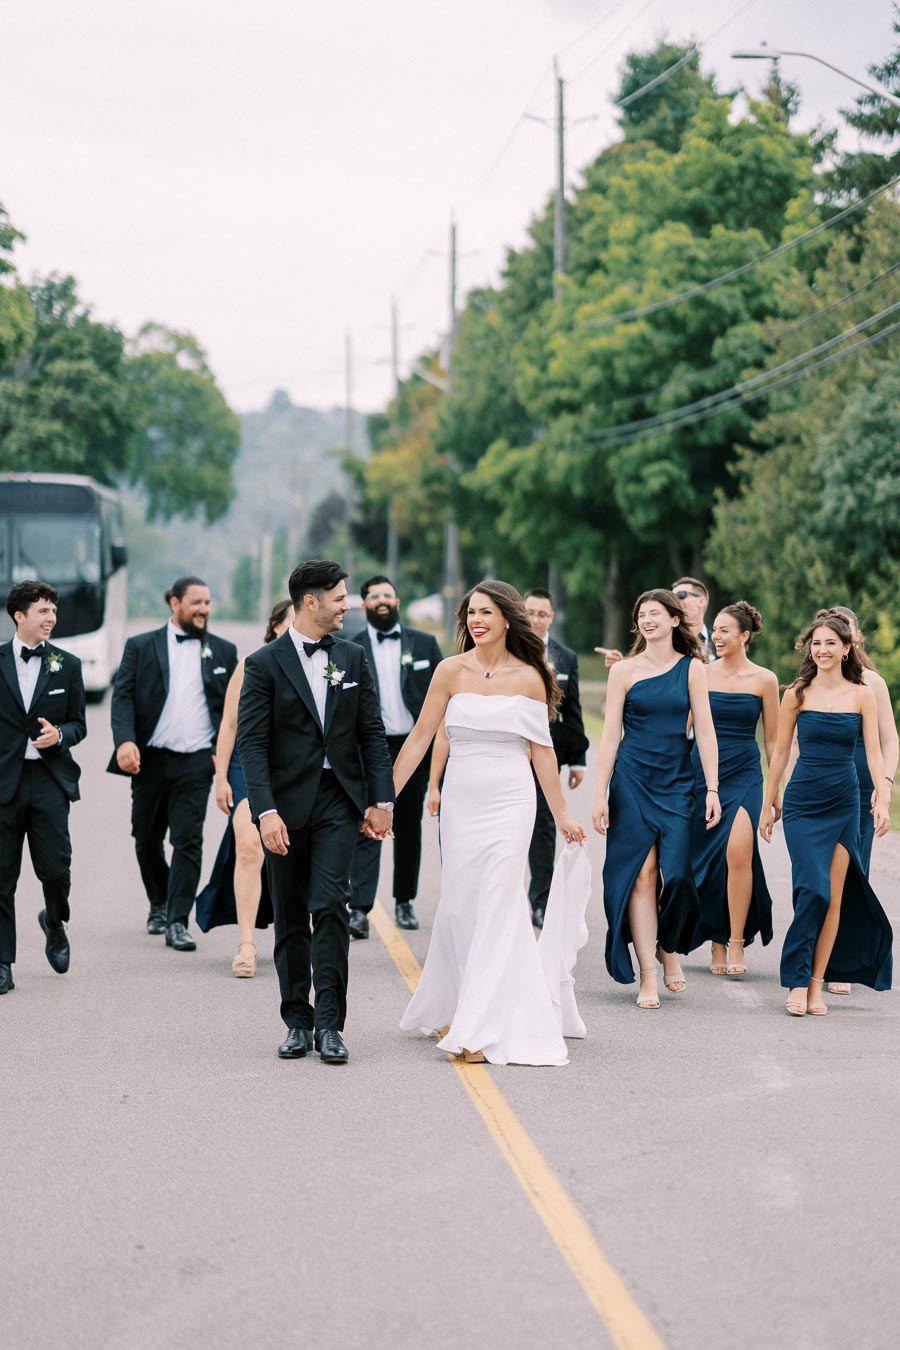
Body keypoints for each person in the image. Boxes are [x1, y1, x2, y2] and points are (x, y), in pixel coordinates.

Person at [393, 579, 589, 1067]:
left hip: (510, 798)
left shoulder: (531, 676)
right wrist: (384, 798)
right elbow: (419, 737)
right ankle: (453, 1002)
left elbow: (542, 750)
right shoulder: (449, 671)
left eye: (485, 612)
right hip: (462, 797)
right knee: (460, 905)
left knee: (501, 899)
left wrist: (562, 815)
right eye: (470, 613)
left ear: (506, 618)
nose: (476, 620)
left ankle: (480, 1026)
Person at [237, 560, 394, 1065]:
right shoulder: (263, 664)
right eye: (340, 597)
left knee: (329, 905)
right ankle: (296, 1021)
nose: (348, 604)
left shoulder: (351, 656)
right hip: (283, 804)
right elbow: (252, 746)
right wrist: (265, 811)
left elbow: (371, 731)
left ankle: (330, 1024)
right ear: (311, 601)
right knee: (289, 914)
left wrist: (382, 798)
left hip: (337, 800)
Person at [592, 589, 720, 1009]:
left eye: (655, 614)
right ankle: (649, 971)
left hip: (678, 780)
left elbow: (704, 731)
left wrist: (713, 789)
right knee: (642, 874)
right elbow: (610, 734)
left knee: (679, 875)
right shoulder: (623, 671)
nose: (647, 620)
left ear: (673, 620)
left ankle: (669, 947)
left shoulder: (693, 669)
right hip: (631, 778)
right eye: (641, 615)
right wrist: (600, 793)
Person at [760, 611, 892, 1016]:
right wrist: (769, 802)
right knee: (812, 890)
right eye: (816, 643)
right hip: (802, 802)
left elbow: (873, 752)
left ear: (847, 647)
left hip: (844, 802)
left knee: (833, 896)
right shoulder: (796, 693)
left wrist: (883, 798)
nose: (822, 650)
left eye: (830, 643)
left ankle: (814, 984)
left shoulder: (862, 694)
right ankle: (795, 979)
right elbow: (780, 752)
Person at [108, 577, 238, 951]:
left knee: (188, 840)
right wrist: (125, 741)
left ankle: (178, 921)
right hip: (150, 760)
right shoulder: (140, 646)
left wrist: (223, 755)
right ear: (175, 603)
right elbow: (123, 699)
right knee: (146, 837)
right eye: (196, 602)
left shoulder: (223, 652)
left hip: (197, 762)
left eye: (208, 603)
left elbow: (232, 712)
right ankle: (159, 901)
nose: (204, 610)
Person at [195, 598, 295, 975]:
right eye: (291, 622)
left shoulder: (321, 665)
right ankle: (247, 944)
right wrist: (221, 776)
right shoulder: (252, 665)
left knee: (294, 852)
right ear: (274, 626)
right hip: (247, 767)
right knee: (250, 847)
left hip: (293, 768)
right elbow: (231, 725)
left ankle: (299, 937)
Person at [0, 582, 86, 995]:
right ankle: (2, 962)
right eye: (42, 611)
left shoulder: (66, 665)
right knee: (2, 876)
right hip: (4, 782)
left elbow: (79, 724)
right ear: (19, 615)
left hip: (49, 781)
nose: (51, 618)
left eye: (53, 610)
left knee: (56, 870)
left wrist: (61, 735)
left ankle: (54, 921)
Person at [347, 575, 442, 937]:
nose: (382, 600)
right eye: (374, 596)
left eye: (388, 594)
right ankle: (359, 908)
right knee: (368, 822)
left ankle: (404, 900)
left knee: (408, 825)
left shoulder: (424, 644)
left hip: (413, 746)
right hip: (370, 748)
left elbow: (444, 697)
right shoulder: (349, 648)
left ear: (397, 602)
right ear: (365, 604)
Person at [691, 602, 778, 978]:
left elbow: (774, 741)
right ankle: (716, 940)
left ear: (745, 636)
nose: (719, 636)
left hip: (745, 772)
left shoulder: (765, 680)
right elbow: (684, 728)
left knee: (739, 852)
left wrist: (776, 794)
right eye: (716, 630)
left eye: (726, 630)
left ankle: (738, 940)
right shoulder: (700, 673)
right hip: (703, 771)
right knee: (710, 858)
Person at [820, 606, 898, 996]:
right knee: (821, 876)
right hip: (822, 782)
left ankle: (842, 962)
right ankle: (818, 955)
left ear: (854, 639)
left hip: (862, 783)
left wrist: (883, 785)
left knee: (852, 871)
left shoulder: (872, 683)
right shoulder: (811, 681)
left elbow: (889, 740)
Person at [524, 588, 589, 928]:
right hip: (512, 748)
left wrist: (578, 759)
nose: (535, 619)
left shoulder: (566, 657)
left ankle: (541, 900)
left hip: (549, 751)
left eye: (542, 614)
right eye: (530, 612)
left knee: (545, 824)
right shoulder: (508, 649)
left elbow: (573, 710)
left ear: (551, 617)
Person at [596, 576, 715, 667]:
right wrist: (623, 664)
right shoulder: (662, 641)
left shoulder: (720, 641)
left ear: (701, 601)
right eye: (672, 597)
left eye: (681, 595)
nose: (675, 601)